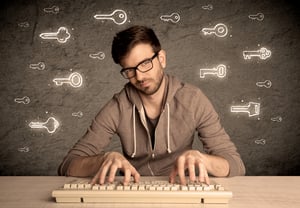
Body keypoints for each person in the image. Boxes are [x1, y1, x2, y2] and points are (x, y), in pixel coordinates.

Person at [58, 25, 245, 185]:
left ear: (161, 59)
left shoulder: (193, 99)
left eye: (145, 64)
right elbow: (68, 165)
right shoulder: (118, 106)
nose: (139, 77)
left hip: (181, 191)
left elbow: (235, 164)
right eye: (130, 70)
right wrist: (103, 159)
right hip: (134, 191)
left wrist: (204, 160)